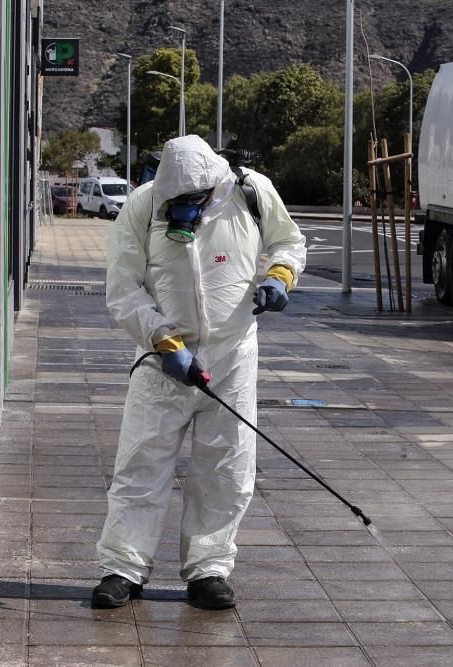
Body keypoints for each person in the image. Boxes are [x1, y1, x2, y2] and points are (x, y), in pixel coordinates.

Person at [92, 135, 306, 609]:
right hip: (162, 359)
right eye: (177, 201)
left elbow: (287, 242)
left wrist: (279, 275)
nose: (184, 208)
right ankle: (123, 568)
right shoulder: (144, 206)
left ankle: (208, 569)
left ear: (215, 185)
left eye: (193, 200)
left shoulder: (251, 193)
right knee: (141, 464)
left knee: (225, 466)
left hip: (231, 359)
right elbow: (123, 288)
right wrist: (164, 341)